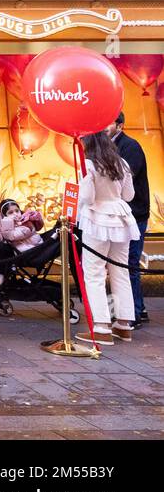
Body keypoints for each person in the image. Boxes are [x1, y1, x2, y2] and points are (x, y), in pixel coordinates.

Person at [76, 130, 139, 346]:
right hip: (122, 219)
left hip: (96, 219)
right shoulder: (121, 163)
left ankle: (102, 326)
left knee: (94, 273)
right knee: (120, 271)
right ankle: (123, 324)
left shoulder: (88, 165)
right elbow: (129, 196)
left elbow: (87, 197)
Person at [109, 113, 150, 327]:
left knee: (129, 263)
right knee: (122, 264)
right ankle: (137, 308)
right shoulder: (106, 147)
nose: (104, 127)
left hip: (134, 214)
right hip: (118, 215)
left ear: (120, 125)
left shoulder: (130, 147)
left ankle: (132, 312)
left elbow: (124, 181)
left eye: (109, 122)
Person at [0, 199, 45, 286]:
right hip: (19, 250)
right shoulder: (7, 225)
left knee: (1, 248)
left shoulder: (26, 223)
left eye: (17, 211)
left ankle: (1, 274)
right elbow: (4, 237)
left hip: (31, 252)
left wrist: (7, 222)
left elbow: (11, 236)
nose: (15, 214)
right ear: (4, 216)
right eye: (10, 212)